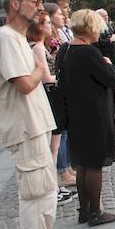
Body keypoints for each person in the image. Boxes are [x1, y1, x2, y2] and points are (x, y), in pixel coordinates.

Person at [0, 0, 72, 229]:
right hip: (25, 128)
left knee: (46, 189)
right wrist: (39, 66)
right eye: (34, 1)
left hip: (35, 125)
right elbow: (24, 84)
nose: (39, 6)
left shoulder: (17, 38)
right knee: (36, 192)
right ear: (14, 4)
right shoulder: (7, 39)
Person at [56, 9, 115, 226]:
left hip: (74, 114)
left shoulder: (65, 49)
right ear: (91, 28)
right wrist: (108, 64)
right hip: (93, 114)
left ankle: (84, 211)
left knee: (83, 164)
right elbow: (111, 79)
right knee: (94, 164)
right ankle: (95, 212)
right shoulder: (88, 52)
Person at [26, 11, 77, 205]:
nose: (50, 26)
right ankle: (53, 188)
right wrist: (66, 78)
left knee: (55, 144)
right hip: (50, 97)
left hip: (49, 97)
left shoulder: (38, 46)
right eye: (47, 23)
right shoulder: (37, 47)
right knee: (53, 147)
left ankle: (54, 186)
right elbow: (47, 78)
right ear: (38, 26)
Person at [95, 9, 115, 114]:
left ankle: (114, 106)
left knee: (114, 82)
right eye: (103, 16)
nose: (105, 17)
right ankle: (108, 107)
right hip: (103, 57)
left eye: (106, 15)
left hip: (113, 57)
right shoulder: (96, 28)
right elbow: (97, 42)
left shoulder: (110, 26)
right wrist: (109, 40)